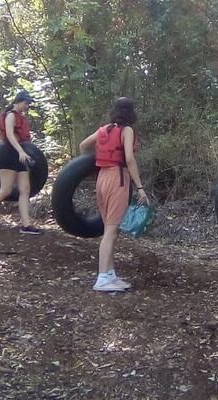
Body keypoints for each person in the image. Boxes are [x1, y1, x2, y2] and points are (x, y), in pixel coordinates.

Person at [78, 97, 149, 292]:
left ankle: (110, 275)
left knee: (111, 230)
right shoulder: (127, 131)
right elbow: (129, 158)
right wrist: (140, 187)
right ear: (131, 112)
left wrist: (92, 164)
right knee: (110, 232)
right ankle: (102, 278)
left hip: (102, 178)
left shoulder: (104, 129)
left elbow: (83, 145)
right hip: (117, 179)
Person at [0, 90, 44, 235]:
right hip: (8, 153)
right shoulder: (11, 115)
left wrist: (23, 153)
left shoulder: (20, 117)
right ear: (18, 101)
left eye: (28, 104)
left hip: (19, 154)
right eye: (26, 103)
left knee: (25, 189)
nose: (27, 106)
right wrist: (20, 151)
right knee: (5, 190)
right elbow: (10, 135)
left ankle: (26, 225)